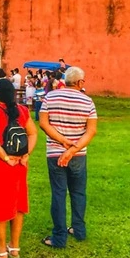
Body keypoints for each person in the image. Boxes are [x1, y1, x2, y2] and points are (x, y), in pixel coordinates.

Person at [0, 78, 37, 258]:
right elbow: (33, 133)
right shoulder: (22, 110)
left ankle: (1, 251)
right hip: (19, 165)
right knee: (18, 204)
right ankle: (15, 247)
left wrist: (4, 157)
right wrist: (26, 154)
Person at [38, 66, 97, 248]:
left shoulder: (50, 97)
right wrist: (73, 149)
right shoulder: (88, 102)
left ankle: (59, 237)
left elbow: (43, 123)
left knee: (59, 194)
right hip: (78, 155)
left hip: (55, 153)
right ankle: (78, 230)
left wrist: (62, 141)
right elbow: (91, 131)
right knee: (78, 193)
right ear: (80, 82)